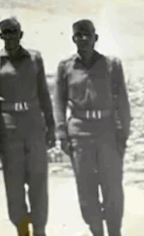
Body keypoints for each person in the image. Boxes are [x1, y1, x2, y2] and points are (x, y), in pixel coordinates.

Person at [54, 20, 131, 236]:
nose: (83, 39)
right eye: (79, 35)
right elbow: (59, 102)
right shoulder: (65, 67)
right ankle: (96, 230)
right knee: (86, 189)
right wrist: (62, 133)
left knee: (112, 187)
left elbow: (122, 101)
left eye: (87, 35)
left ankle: (114, 231)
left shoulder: (111, 64)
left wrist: (123, 134)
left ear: (95, 38)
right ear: (73, 39)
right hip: (79, 135)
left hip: (107, 133)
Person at [0, 17, 56, 236]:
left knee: (38, 180)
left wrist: (51, 125)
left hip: (34, 125)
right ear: (0, 36)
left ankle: (40, 229)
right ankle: (22, 229)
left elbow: (43, 93)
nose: (9, 37)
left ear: (21, 34)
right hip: (8, 128)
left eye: (13, 32)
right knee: (14, 183)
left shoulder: (34, 58)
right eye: (5, 33)